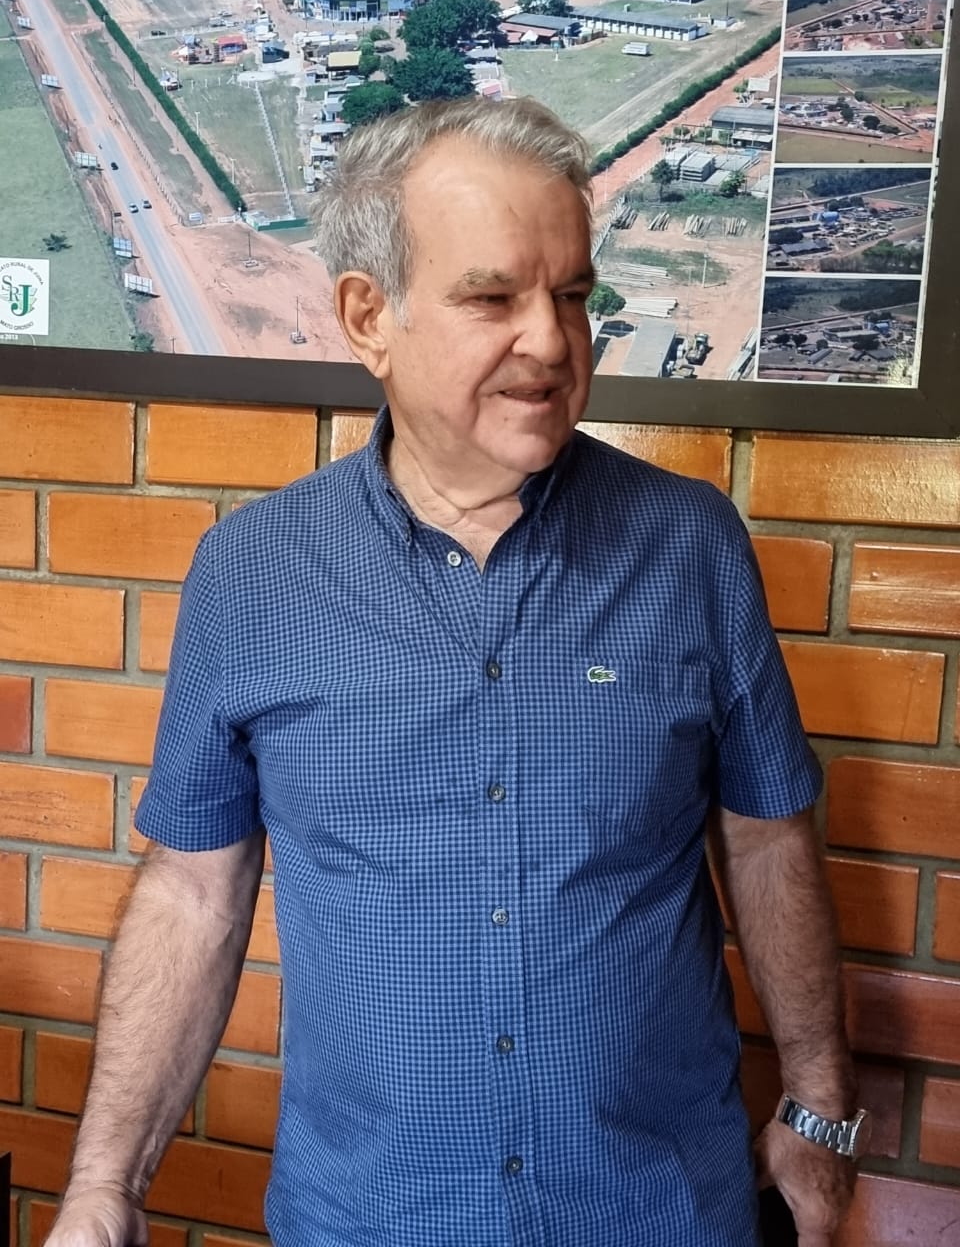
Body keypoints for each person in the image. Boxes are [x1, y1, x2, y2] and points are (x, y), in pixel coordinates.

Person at [45, 97, 864, 1247]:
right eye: (493, 297)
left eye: (572, 294)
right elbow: (192, 891)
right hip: (366, 1219)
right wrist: (105, 1181)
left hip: (657, 1211)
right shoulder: (251, 575)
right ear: (367, 316)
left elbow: (769, 839)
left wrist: (819, 1109)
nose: (553, 341)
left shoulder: (690, 545)